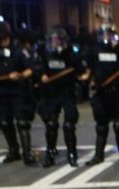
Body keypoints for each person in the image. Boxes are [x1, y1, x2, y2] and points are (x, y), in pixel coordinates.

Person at [81, 23, 119, 165]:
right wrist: (90, 80)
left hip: (117, 92)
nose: (109, 37)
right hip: (101, 92)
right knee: (101, 126)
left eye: (111, 34)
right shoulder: (94, 51)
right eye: (106, 34)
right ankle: (98, 155)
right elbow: (89, 70)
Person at [0, 22, 37, 165]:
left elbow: (30, 69)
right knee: (6, 122)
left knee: (22, 122)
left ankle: (27, 152)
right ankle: (13, 151)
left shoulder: (18, 49)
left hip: (18, 91)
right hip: (1, 92)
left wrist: (20, 75)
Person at [39, 28, 82, 167]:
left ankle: (72, 154)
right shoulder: (45, 54)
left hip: (67, 92)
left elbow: (80, 71)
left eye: (59, 41)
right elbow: (38, 69)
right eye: (54, 41)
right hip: (51, 93)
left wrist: (83, 77)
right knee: (51, 124)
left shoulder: (71, 55)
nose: (56, 43)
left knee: (69, 125)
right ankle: (50, 153)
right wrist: (41, 76)